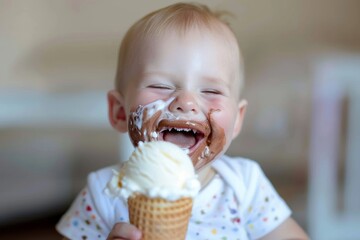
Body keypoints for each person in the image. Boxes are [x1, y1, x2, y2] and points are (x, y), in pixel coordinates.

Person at [57, 2, 308, 240]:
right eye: (160, 85)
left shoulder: (246, 186)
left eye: (211, 91)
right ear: (119, 112)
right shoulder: (103, 193)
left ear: (238, 120)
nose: (186, 102)